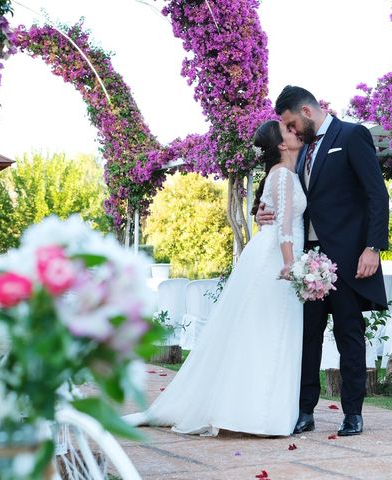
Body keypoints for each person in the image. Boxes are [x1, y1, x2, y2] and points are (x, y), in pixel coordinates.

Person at [123, 120, 306, 436]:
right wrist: (292, 264)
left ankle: (258, 410)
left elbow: (269, 213)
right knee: (266, 331)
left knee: (263, 330)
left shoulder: (279, 176)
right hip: (276, 260)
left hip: (270, 254)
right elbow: (285, 227)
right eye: (288, 131)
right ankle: (256, 414)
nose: (294, 132)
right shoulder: (284, 176)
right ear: (280, 144)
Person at [257, 85, 389, 436]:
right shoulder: (298, 152)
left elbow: (377, 194)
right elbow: (282, 195)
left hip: (346, 259)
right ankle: (305, 411)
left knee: (349, 335)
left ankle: (353, 414)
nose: (290, 131)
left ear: (306, 111)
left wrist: (373, 247)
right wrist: (263, 211)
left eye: (290, 122)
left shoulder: (352, 135)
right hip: (306, 259)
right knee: (308, 336)